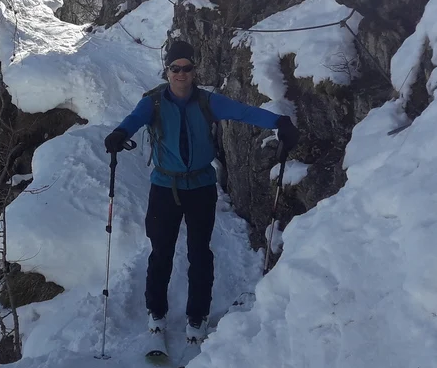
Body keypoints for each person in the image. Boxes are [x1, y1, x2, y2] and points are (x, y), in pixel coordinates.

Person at [103, 39, 299, 345]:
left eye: (187, 68)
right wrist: (119, 134)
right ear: (167, 70)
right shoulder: (153, 103)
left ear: (194, 70)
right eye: (175, 68)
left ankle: (198, 316)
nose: (181, 73)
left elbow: (244, 112)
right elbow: (133, 121)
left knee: (200, 253)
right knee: (161, 252)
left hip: (201, 187)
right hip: (164, 187)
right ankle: (156, 312)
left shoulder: (208, 102)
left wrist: (279, 122)